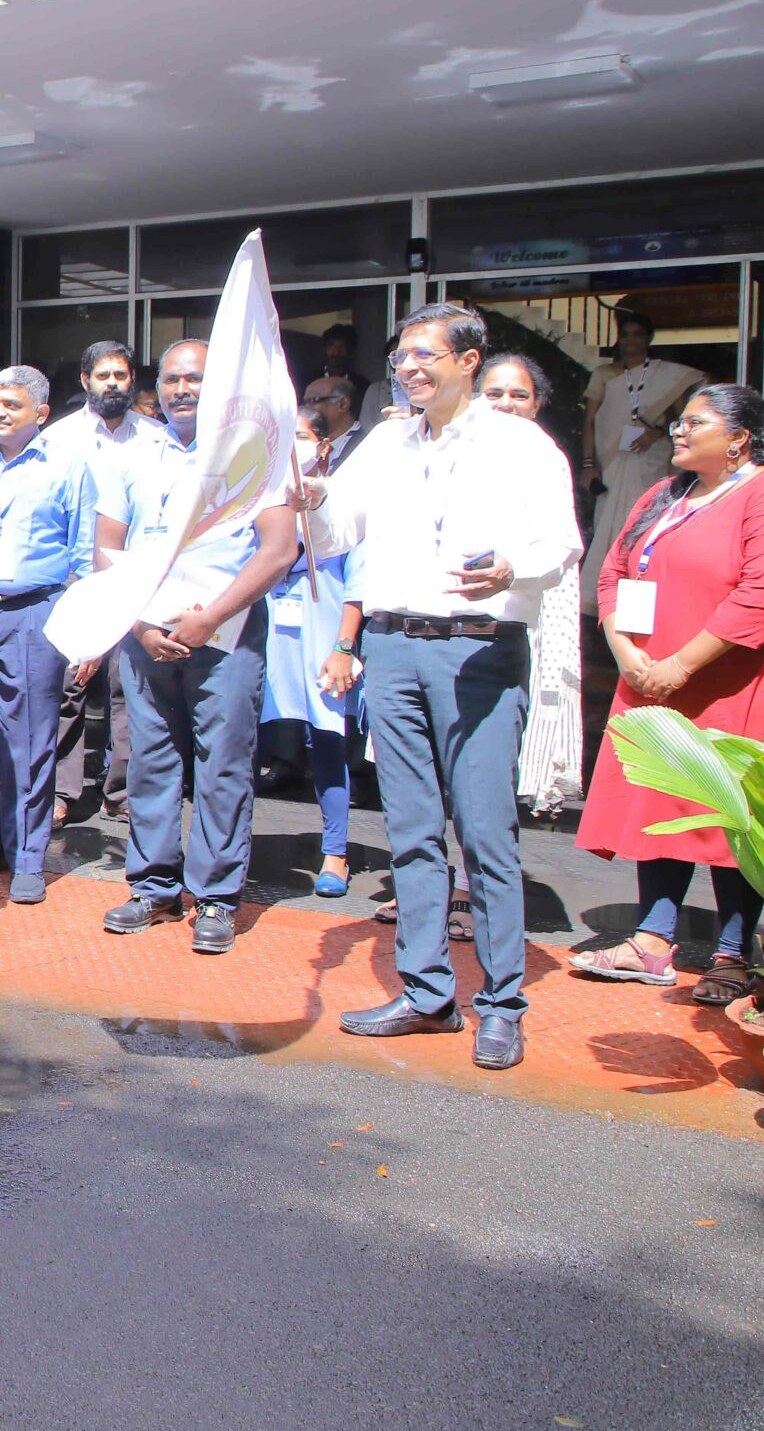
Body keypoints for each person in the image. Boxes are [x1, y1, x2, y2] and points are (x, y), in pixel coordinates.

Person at [309, 304, 580, 1072]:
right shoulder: (385, 440)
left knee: (486, 832)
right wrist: (311, 500)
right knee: (412, 829)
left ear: (469, 360)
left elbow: (561, 543)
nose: (409, 366)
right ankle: (427, 992)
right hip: (392, 647)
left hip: (477, 649)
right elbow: (336, 535)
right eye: (401, 353)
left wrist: (511, 571)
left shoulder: (521, 442)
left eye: (426, 354)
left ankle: (501, 1004)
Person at [92, 339, 298, 954]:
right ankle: (153, 887)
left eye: (198, 380)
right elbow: (107, 546)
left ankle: (215, 895)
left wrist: (211, 617)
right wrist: (140, 624)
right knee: (149, 762)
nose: (184, 389)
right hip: (144, 633)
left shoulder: (255, 458)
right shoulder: (135, 457)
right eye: (175, 379)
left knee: (223, 766)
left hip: (224, 635)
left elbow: (278, 549)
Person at [570, 385, 764, 1010]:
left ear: (738, 439)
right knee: (658, 807)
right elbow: (613, 573)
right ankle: (653, 942)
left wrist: (681, 664)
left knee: (727, 817)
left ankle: (735, 954)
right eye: (679, 420)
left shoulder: (759, 495)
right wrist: (629, 657)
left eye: (694, 422)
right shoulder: (664, 495)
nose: (677, 431)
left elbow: (758, 592)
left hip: (726, 682)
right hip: (651, 678)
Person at [0, 366, 91, 906]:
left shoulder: (69, 467)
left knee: (27, 738)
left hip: (36, 612)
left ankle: (28, 855)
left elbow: (84, 555)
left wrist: (85, 634)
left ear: (41, 413)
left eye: (12, 404)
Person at [43, 340, 162, 824]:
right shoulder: (59, 438)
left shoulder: (157, 438)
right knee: (68, 690)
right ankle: (62, 792)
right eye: (103, 375)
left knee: (127, 690)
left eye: (121, 374)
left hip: (137, 581)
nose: (112, 383)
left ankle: (122, 790)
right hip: (79, 581)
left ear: (132, 379)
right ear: (85, 380)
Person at [261, 410, 363, 898]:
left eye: (302, 437)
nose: (294, 446)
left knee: (327, 737)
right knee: (245, 737)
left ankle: (336, 852)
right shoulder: (257, 496)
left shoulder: (342, 501)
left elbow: (359, 582)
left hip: (322, 630)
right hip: (266, 627)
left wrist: (344, 646)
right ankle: (233, 850)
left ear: (322, 446)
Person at [480, 352, 585, 818]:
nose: (506, 403)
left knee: (497, 755)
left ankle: (472, 876)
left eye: (519, 395)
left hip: (526, 613)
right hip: (456, 622)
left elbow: (559, 547)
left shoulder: (544, 456)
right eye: (494, 393)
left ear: (537, 404)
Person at [582, 309, 706, 607]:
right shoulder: (604, 374)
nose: (631, 341)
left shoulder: (667, 376)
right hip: (611, 460)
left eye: (637, 334)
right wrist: (588, 465)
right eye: (625, 334)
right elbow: (589, 422)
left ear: (649, 338)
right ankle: (605, 598)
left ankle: (642, 592)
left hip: (651, 457)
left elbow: (681, 418)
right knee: (609, 524)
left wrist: (658, 432)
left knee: (645, 520)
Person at [302, 375, 369, 472]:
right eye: (304, 402)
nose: (306, 408)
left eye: (313, 400)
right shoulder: (306, 446)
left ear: (343, 404)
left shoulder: (367, 445)